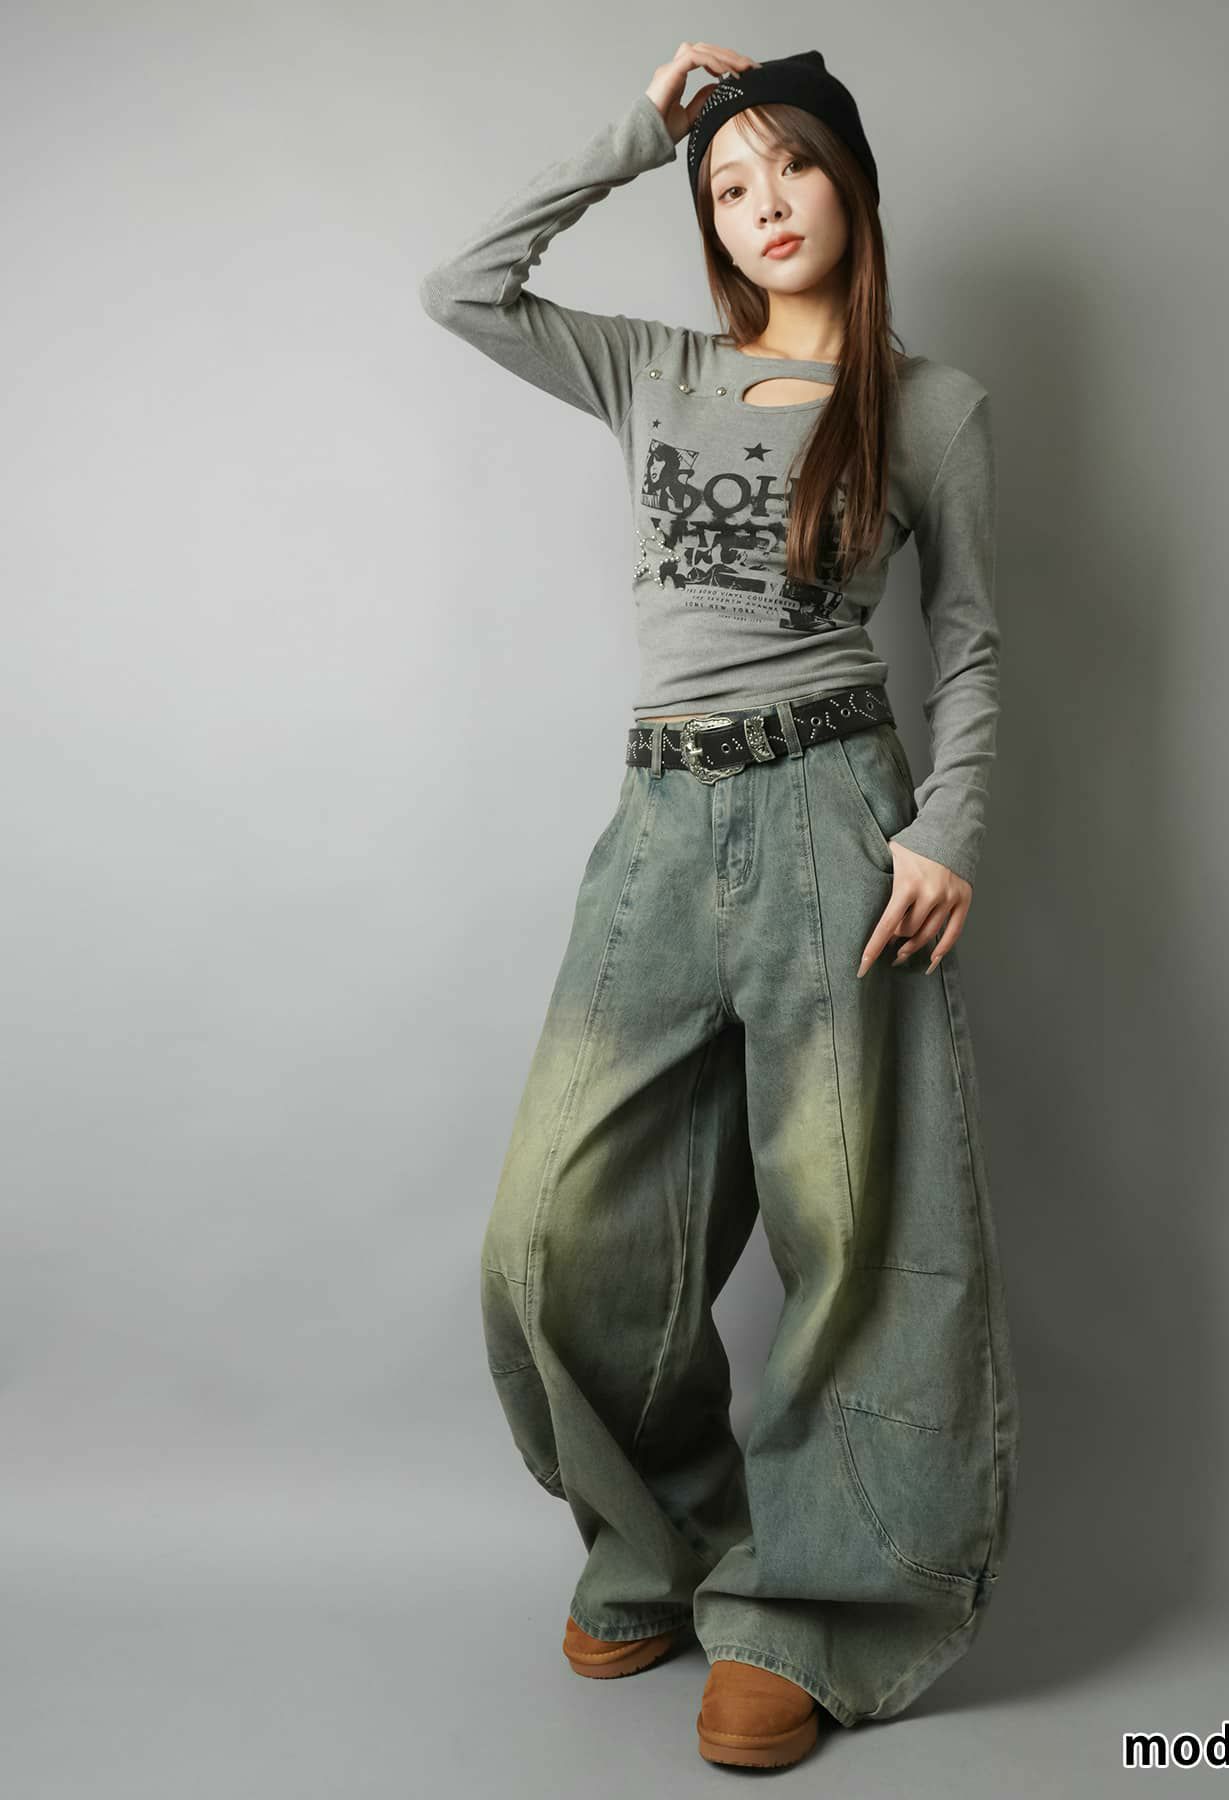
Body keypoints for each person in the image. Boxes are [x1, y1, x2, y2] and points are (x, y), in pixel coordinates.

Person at [418, 41, 1020, 1769]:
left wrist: (951, 826)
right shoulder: (652, 369)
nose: (764, 206)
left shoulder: (930, 408)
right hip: (662, 825)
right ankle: (664, 1542)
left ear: (853, 183)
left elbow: (972, 643)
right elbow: (464, 288)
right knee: (550, 1232)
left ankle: (810, 1611)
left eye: (792, 168)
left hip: (840, 817)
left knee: (852, 1229)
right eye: (731, 185)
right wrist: (647, 126)